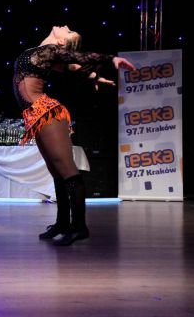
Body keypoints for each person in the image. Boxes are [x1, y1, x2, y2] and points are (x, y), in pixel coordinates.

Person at [13, 25, 136, 246]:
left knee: (68, 171)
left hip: (47, 113)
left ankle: (79, 227)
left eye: (69, 32)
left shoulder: (49, 50)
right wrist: (95, 77)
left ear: (61, 42)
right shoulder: (43, 53)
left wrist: (112, 60)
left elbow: (79, 58)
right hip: (35, 116)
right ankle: (62, 223)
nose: (67, 27)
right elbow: (73, 66)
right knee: (57, 172)